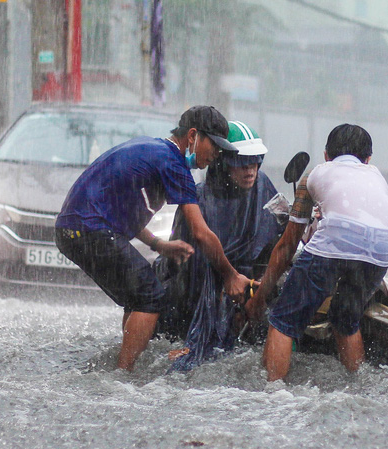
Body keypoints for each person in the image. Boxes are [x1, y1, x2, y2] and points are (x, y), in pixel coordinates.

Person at [55, 106, 255, 371]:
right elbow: (201, 232)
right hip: (91, 231)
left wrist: (158, 244)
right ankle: (123, 374)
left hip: (72, 230)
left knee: (137, 296)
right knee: (151, 298)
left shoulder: (153, 150)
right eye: (214, 146)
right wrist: (230, 276)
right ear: (193, 136)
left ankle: (124, 364)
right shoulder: (172, 163)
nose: (216, 154)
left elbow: (122, 210)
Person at [245, 124, 388, 382]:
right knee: (346, 318)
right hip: (382, 250)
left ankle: (271, 391)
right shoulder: (376, 176)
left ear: (326, 155)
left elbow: (288, 245)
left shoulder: (313, 176)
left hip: (335, 244)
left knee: (284, 319)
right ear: (368, 159)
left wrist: (260, 298)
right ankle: (357, 382)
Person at [155, 121, 286, 371]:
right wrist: (227, 293)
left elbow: (281, 237)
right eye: (242, 163)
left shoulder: (263, 186)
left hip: (248, 284)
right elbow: (188, 268)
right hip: (201, 289)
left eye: (255, 162)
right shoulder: (200, 199)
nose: (250, 170)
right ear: (223, 162)